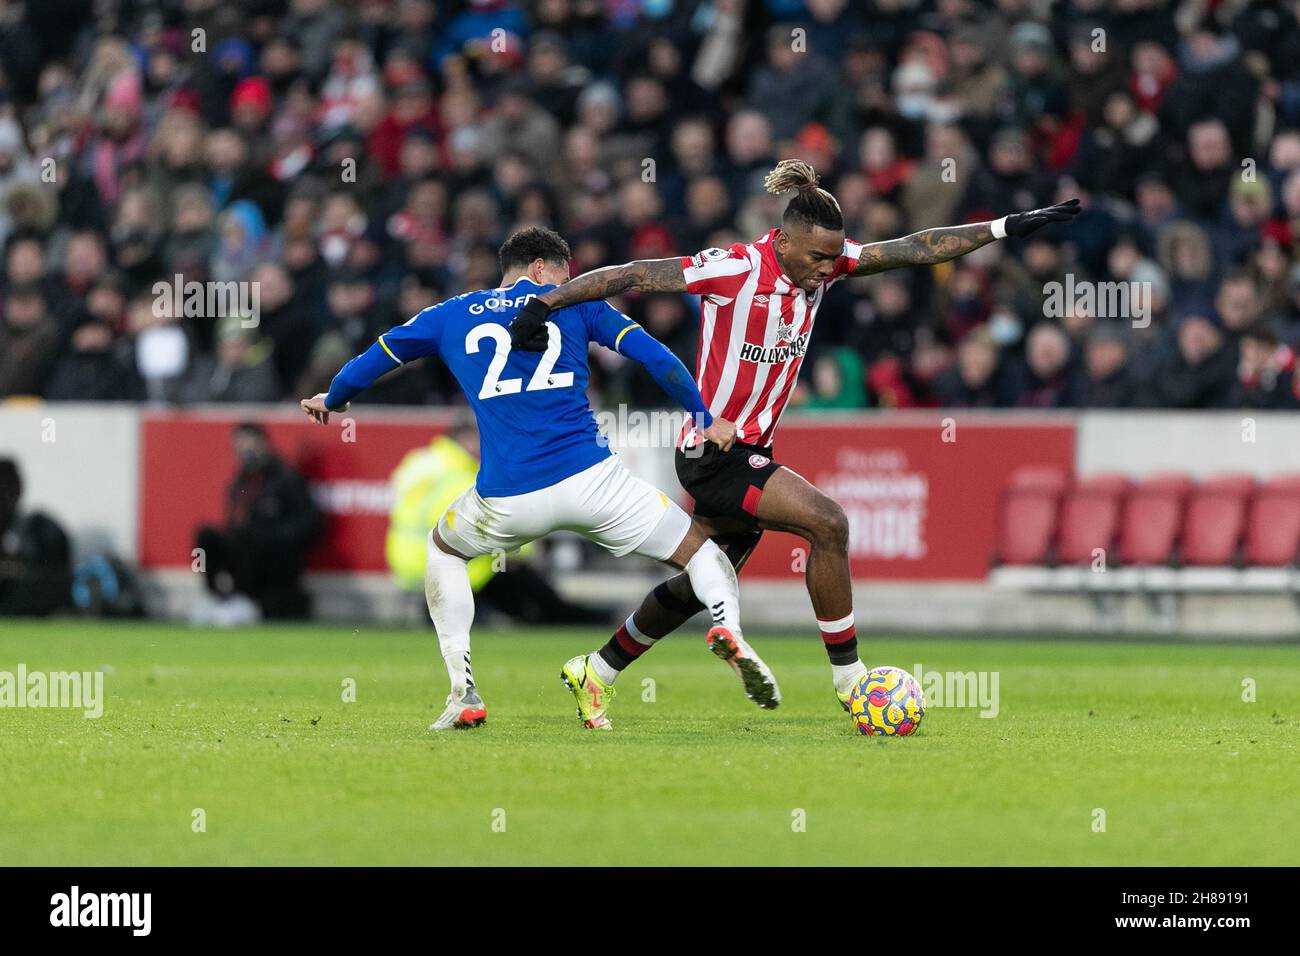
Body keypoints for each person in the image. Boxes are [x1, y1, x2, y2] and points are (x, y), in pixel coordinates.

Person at [511, 159, 1080, 710]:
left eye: (834, 258)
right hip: (714, 449)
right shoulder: (731, 268)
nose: (826, 269)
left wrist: (1006, 226)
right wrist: (545, 303)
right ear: (783, 242)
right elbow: (631, 275)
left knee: (704, 577)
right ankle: (851, 681)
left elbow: (917, 246)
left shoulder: (828, 264)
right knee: (828, 522)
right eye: (816, 257)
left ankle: (598, 668)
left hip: (752, 449)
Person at [301, 226, 777, 732]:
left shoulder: (451, 314)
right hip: (596, 483)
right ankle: (728, 627)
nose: (572, 284)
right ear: (540, 269)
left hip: (509, 496)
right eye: (566, 275)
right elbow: (656, 357)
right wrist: (703, 416)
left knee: (444, 551)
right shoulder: (579, 305)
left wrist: (332, 397)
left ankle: (464, 692)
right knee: (703, 554)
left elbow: (379, 354)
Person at [193, 423, 323, 622]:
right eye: (239, 446)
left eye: (249, 444)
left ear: (263, 444)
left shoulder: (286, 478)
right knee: (206, 536)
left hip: (277, 557)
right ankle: (217, 597)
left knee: (248, 536)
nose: (244, 451)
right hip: (245, 551)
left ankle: (245, 599)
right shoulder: (239, 481)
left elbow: (310, 522)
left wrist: (276, 537)